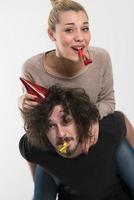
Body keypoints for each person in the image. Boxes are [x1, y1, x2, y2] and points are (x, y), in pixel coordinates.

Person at [18, 0, 134, 199]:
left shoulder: (101, 58)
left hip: (93, 135)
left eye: (85, 28)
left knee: (117, 129)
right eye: (70, 30)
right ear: (51, 34)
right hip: (59, 146)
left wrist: (91, 118)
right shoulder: (32, 68)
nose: (80, 37)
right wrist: (23, 105)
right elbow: (35, 126)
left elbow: (108, 101)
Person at [19, 85, 134, 200]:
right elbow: (29, 152)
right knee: (42, 166)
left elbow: (121, 119)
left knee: (121, 145)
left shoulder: (104, 131)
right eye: (51, 126)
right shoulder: (36, 147)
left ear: (78, 120)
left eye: (66, 120)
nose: (61, 134)